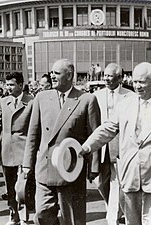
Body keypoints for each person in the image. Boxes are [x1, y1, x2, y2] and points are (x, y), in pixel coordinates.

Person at [80, 62, 151, 225]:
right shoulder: (125, 105)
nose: (137, 86)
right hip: (130, 176)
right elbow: (107, 129)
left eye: (142, 82)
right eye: (135, 81)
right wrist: (86, 146)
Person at [22, 59, 101, 225]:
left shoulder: (86, 99)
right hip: (45, 168)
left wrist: (93, 168)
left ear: (69, 75)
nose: (52, 76)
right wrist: (27, 164)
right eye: (51, 72)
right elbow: (33, 134)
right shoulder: (41, 98)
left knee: (72, 218)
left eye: (57, 73)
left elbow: (94, 136)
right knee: (42, 214)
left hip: (71, 169)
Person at [0, 72, 34, 225]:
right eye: (7, 85)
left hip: (24, 150)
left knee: (22, 186)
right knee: (10, 185)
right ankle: (13, 215)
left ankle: (24, 217)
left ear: (21, 85)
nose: (8, 88)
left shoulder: (31, 102)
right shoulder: (3, 101)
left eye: (12, 85)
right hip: (6, 150)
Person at [93, 63, 134, 225]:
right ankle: (115, 208)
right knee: (100, 182)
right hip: (101, 147)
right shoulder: (96, 95)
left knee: (117, 182)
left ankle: (112, 217)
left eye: (111, 76)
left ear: (120, 78)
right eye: (105, 75)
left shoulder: (130, 96)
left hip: (121, 147)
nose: (107, 79)